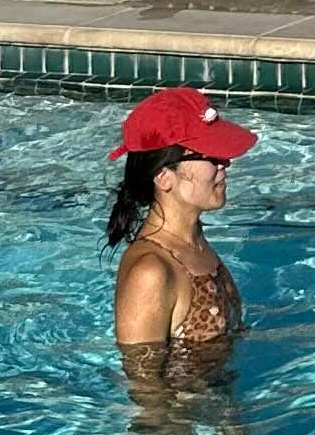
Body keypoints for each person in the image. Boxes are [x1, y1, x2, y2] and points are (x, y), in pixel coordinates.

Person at [107, 88, 256, 359]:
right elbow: (143, 381)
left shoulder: (193, 240)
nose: (225, 164)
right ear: (164, 177)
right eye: (211, 156)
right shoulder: (151, 272)